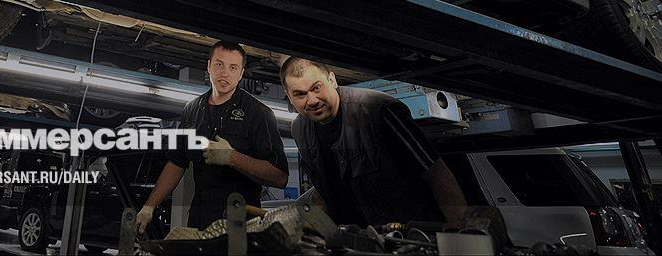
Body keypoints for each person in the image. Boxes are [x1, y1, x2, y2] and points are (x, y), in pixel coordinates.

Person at [280, 57, 467, 227]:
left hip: (410, 236)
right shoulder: (300, 129)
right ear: (289, 97)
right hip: (355, 239)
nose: (312, 100)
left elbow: (437, 174)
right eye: (300, 94)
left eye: (316, 88)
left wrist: (461, 232)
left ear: (332, 80)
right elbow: (324, 190)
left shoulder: (377, 110)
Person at [136, 41, 288, 234]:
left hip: (241, 227)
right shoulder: (192, 109)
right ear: (209, 66)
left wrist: (232, 157)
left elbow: (280, 177)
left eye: (233, 67)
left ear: (241, 73)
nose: (225, 73)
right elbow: (177, 162)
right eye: (219, 64)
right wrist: (149, 206)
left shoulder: (258, 113)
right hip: (199, 221)